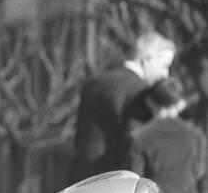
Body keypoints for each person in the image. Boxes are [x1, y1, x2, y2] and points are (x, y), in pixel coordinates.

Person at [69, 31, 176, 182]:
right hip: (114, 183)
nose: (165, 75)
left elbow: (79, 136)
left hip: (80, 179)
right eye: (165, 66)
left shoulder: (93, 83)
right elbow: (136, 147)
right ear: (147, 58)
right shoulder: (141, 92)